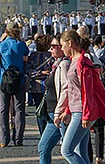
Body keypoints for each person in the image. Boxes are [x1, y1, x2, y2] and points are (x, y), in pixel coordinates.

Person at [54, 29, 105, 164]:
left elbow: (87, 90)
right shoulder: (74, 61)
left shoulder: (82, 62)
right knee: (82, 151)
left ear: (70, 43)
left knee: (66, 150)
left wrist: (86, 115)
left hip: (81, 111)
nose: (62, 48)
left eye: (62, 45)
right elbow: (73, 90)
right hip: (77, 110)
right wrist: (67, 110)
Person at [38, 35, 70, 164]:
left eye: (54, 47)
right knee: (43, 146)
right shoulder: (55, 64)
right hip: (52, 113)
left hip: (60, 112)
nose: (50, 50)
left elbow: (66, 89)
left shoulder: (64, 64)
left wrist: (63, 110)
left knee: (70, 150)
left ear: (62, 47)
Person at [0, 22, 30, 147]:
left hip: (3, 79)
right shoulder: (21, 45)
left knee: (3, 110)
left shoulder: (0, 45)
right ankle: (18, 139)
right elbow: (26, 53)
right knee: (19, 110)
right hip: (18, 79)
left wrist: (1, 39)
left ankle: (3, 139)